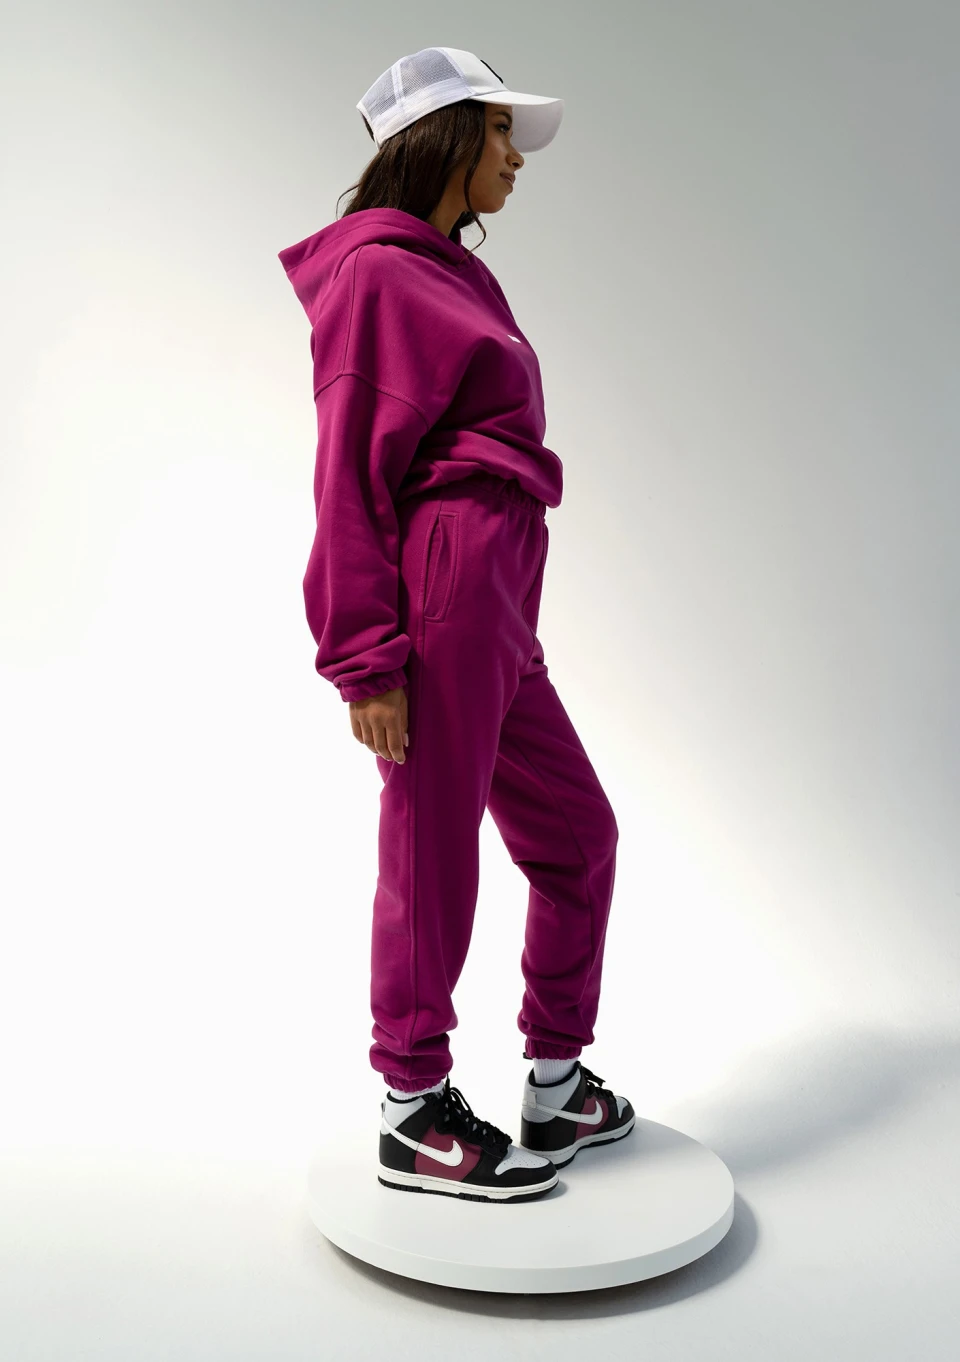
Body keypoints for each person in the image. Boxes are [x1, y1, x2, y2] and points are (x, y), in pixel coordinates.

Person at [278, 48, 634, 1203]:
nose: (516, 160)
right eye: (499, 134)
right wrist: (365, 660)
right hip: (446, 582)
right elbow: (348, 475)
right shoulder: (380, 275)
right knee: (432, 848)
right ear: (443, 136)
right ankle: (413, 1108)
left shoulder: (450, 273)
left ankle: (556, 1081)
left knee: (577, 834)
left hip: (497, 593)